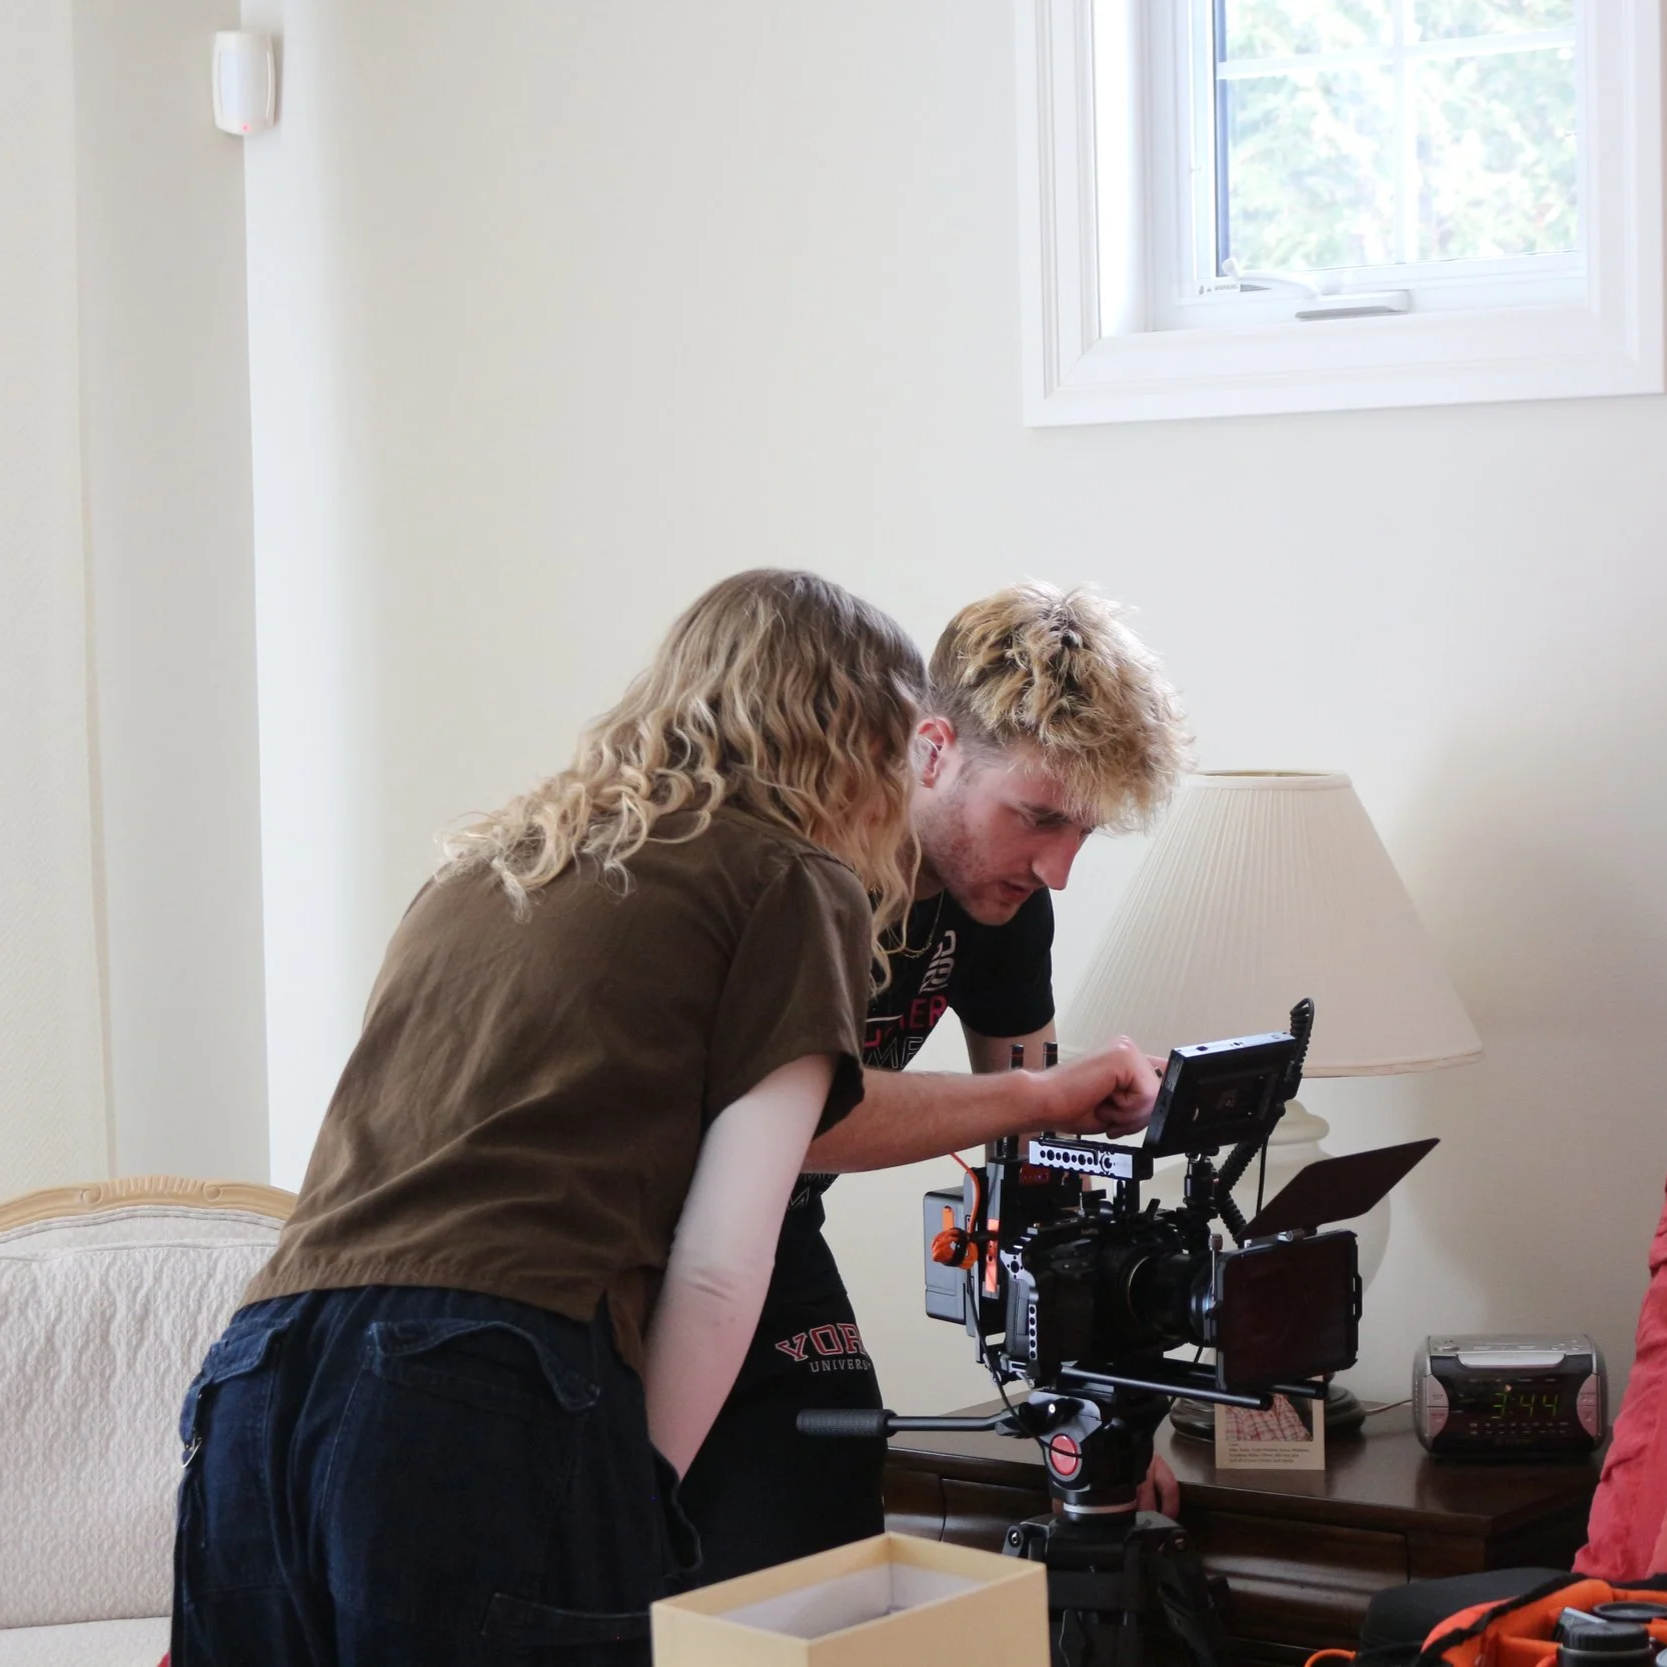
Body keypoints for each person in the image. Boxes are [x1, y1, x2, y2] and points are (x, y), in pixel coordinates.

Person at [169, 569, 926, 1667]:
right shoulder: (789, 878)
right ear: (851, 740)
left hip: (258, 1369)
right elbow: (720, 1262)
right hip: (478, 1382)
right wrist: (641, 1492)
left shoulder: (487, 867)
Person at [678, 580, 1193, 1583]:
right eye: (1035, 816)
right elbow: (785, 1123)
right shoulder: (807, 870)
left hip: (772, 1227)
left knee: (823, 1517)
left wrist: (1088, 1420)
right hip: (631, 1223)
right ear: (934, 747)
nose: (1056, 869)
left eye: (1083, 832)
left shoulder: (1001, 906)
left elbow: (1037, 1174)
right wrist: (1043, 1096)